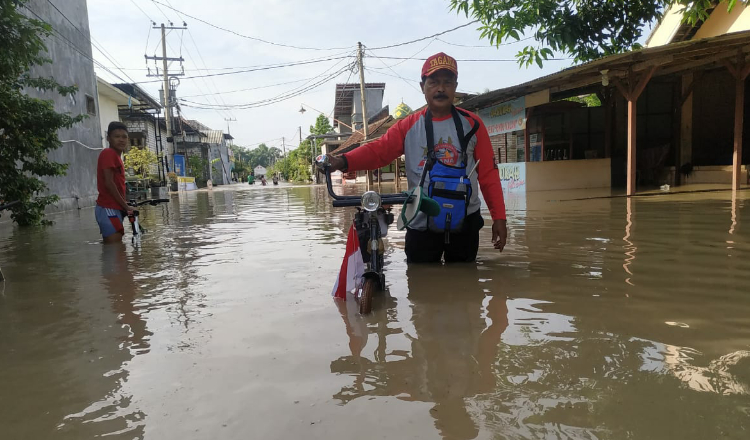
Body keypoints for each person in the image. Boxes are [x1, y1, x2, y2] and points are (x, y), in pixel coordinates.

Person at [326, 52, 507, 263]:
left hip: (465, 224)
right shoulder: (408, 125)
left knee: (465, 285)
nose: (440, 88)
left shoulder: (474, 125)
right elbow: (379, 151)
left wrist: (499, 218)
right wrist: (341, 161)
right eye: (434, 82)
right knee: (421, 287)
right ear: (423, 87)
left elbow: (488, 175)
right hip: (420, 223)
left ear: (455, 86)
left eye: (447, 82)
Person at [95, 121, 134, 244]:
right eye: (117, 136)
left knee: (115, 252)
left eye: (124, 137)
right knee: (115, 252)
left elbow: (116, 184)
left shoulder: (116, 157)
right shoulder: (109, 153)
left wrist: (124, 204)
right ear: (108, 138)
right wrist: (126, 206)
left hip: (112, 208)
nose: (121, 140)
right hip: (108, 208)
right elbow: (109, 183)